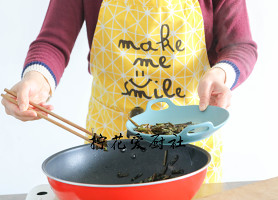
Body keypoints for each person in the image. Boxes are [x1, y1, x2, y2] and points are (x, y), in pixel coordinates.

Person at [1, 0, 257, 183]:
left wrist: (221, 73)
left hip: (191, 138)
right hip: (108, 139)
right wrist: (37, 79)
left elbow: (241, 45)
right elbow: (53, 42)